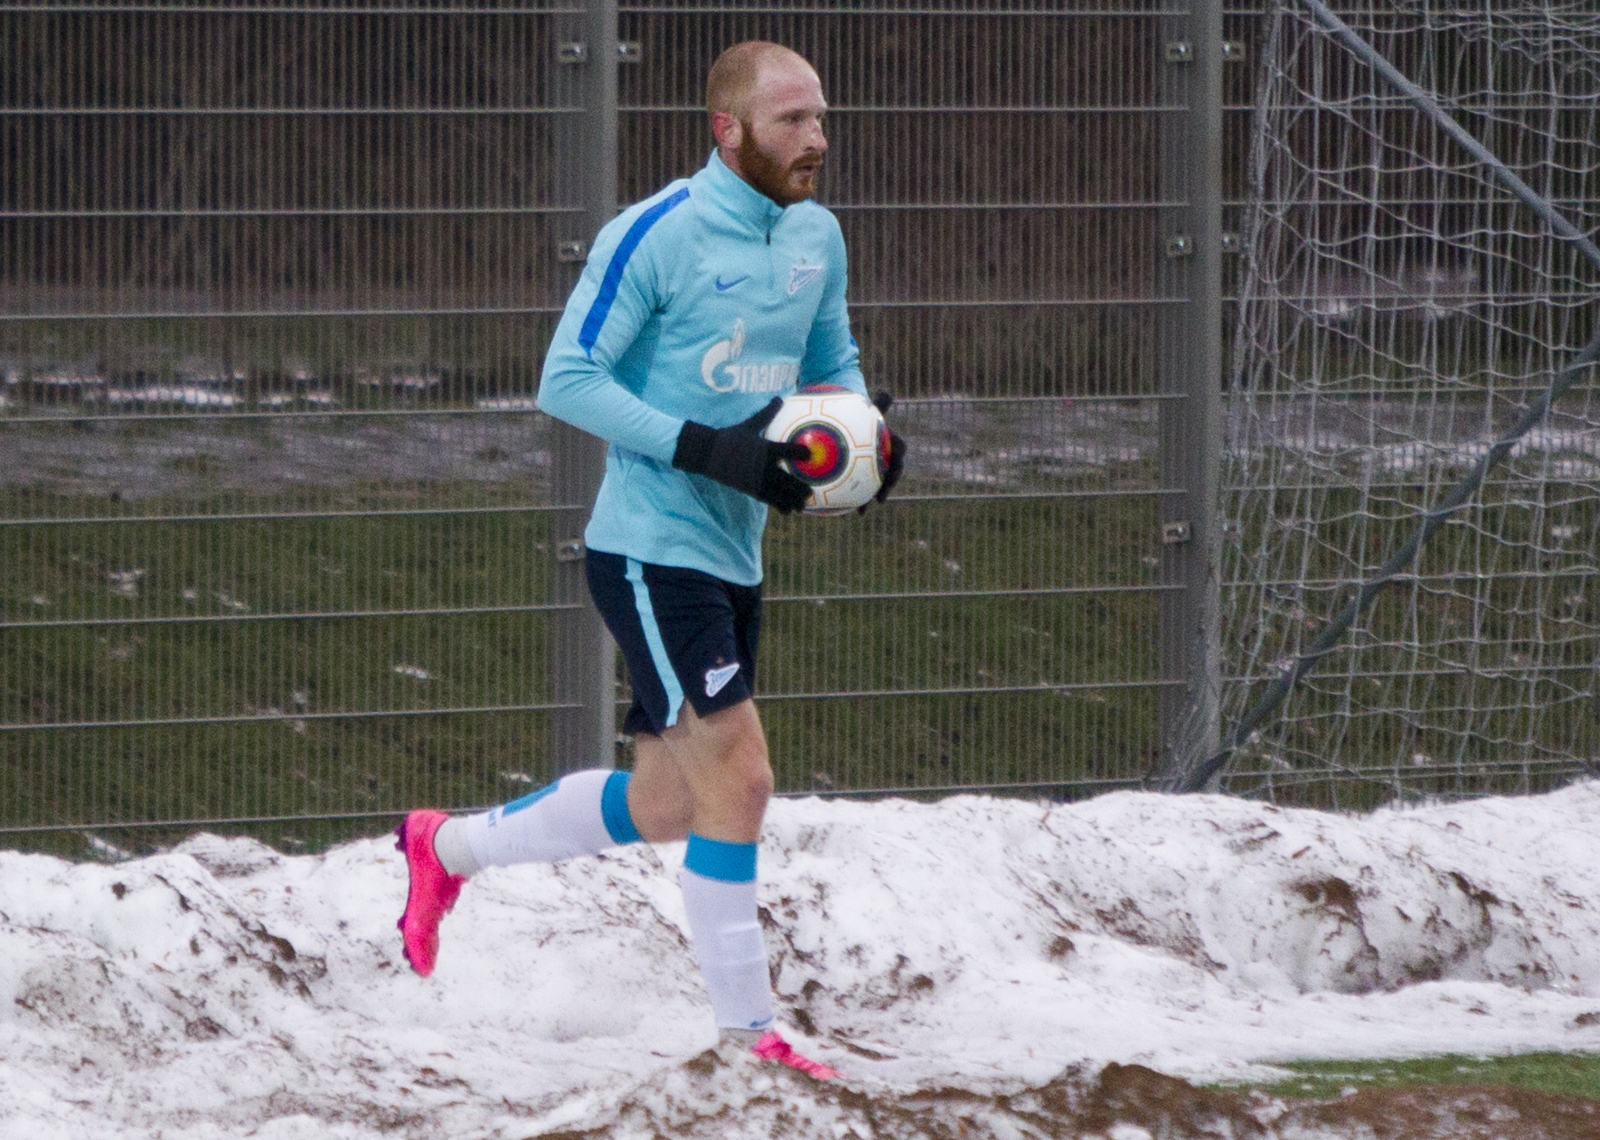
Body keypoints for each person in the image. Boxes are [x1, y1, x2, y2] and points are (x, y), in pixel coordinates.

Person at [392, 41, 904, 1077]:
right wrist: (709, 448)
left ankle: (442, 848)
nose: (816, 138)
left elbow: (831, 364)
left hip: (734, 549)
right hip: (647, 550)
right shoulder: (656, 232)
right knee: (741, 779)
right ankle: (749, 1042)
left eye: (820, 118)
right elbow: (566, 379)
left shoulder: (816, 235)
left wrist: (868, 439)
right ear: (729, 129)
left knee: (668, 804)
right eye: (792, 121)